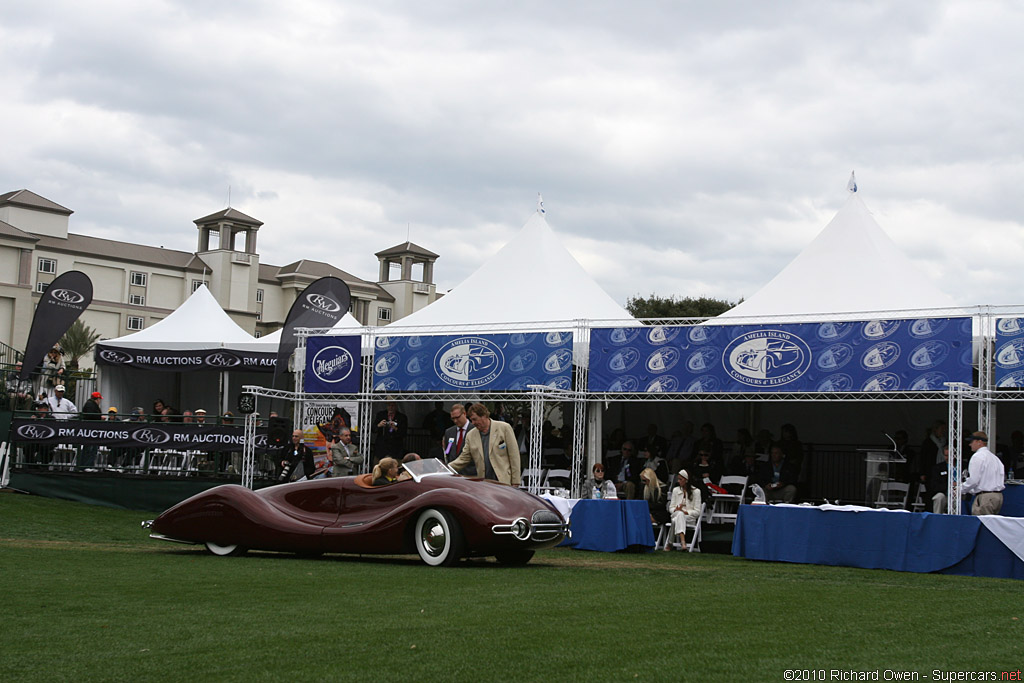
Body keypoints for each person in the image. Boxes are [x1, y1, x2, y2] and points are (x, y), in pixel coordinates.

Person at [449, 403, 521, 486]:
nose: (473, 423)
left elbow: (514, 456)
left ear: (484, 416)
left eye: (475, 419)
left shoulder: (504, 428)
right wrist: (447, 468)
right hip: (484, 485)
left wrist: (516, 482)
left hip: (504, 482)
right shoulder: (470, 435)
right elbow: (463, 459)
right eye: (471, 420)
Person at [961, 431, 1005, 515]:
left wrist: (960, 489)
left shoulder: (977, 456)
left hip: (985, 497)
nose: (970, 444)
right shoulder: (995, 458)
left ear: (979, 442)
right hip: (997, 496)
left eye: (971, 442)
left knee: (981, 524)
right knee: (991, 525)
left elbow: (973, 480)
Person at [667, 469, 702, 550]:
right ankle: (683, 542)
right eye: (678, 479)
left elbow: (697, 512)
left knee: (676, 519)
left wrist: (686, 512)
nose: (678, 481)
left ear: (686, 480)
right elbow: (670, 508)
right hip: (677, 514)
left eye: (680, 479)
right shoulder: (676, 490)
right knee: (679, 514)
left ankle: (670, 543)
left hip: (689, 518)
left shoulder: (696, 491)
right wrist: (676, 510)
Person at [443, 403, 475, 475]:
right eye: (453, 418)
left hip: (470, 474)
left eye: (457, 417)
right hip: (453, 473)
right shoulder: (449, 432)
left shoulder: (475, 429)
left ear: (464, 414)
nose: (455, 421)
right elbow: (448, 451)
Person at [79, 390, 103, 468]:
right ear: (97, 399)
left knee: (90, 448)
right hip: (91, 429)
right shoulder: (90, 405)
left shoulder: (91, 404)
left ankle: (86, 465)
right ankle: (86, 466)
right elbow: (90, 415)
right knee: (90, 448)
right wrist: (99, 417)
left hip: (92, 429)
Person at [928, 447, 950, 514]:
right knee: (939, 497)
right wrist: (949, 486)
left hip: (961, 495)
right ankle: (937, 519)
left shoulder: (962, 466)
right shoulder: (938, 468)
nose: (948, 458)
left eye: (950, 455)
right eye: (946, 455)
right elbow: (934, 486)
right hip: (945, 494)